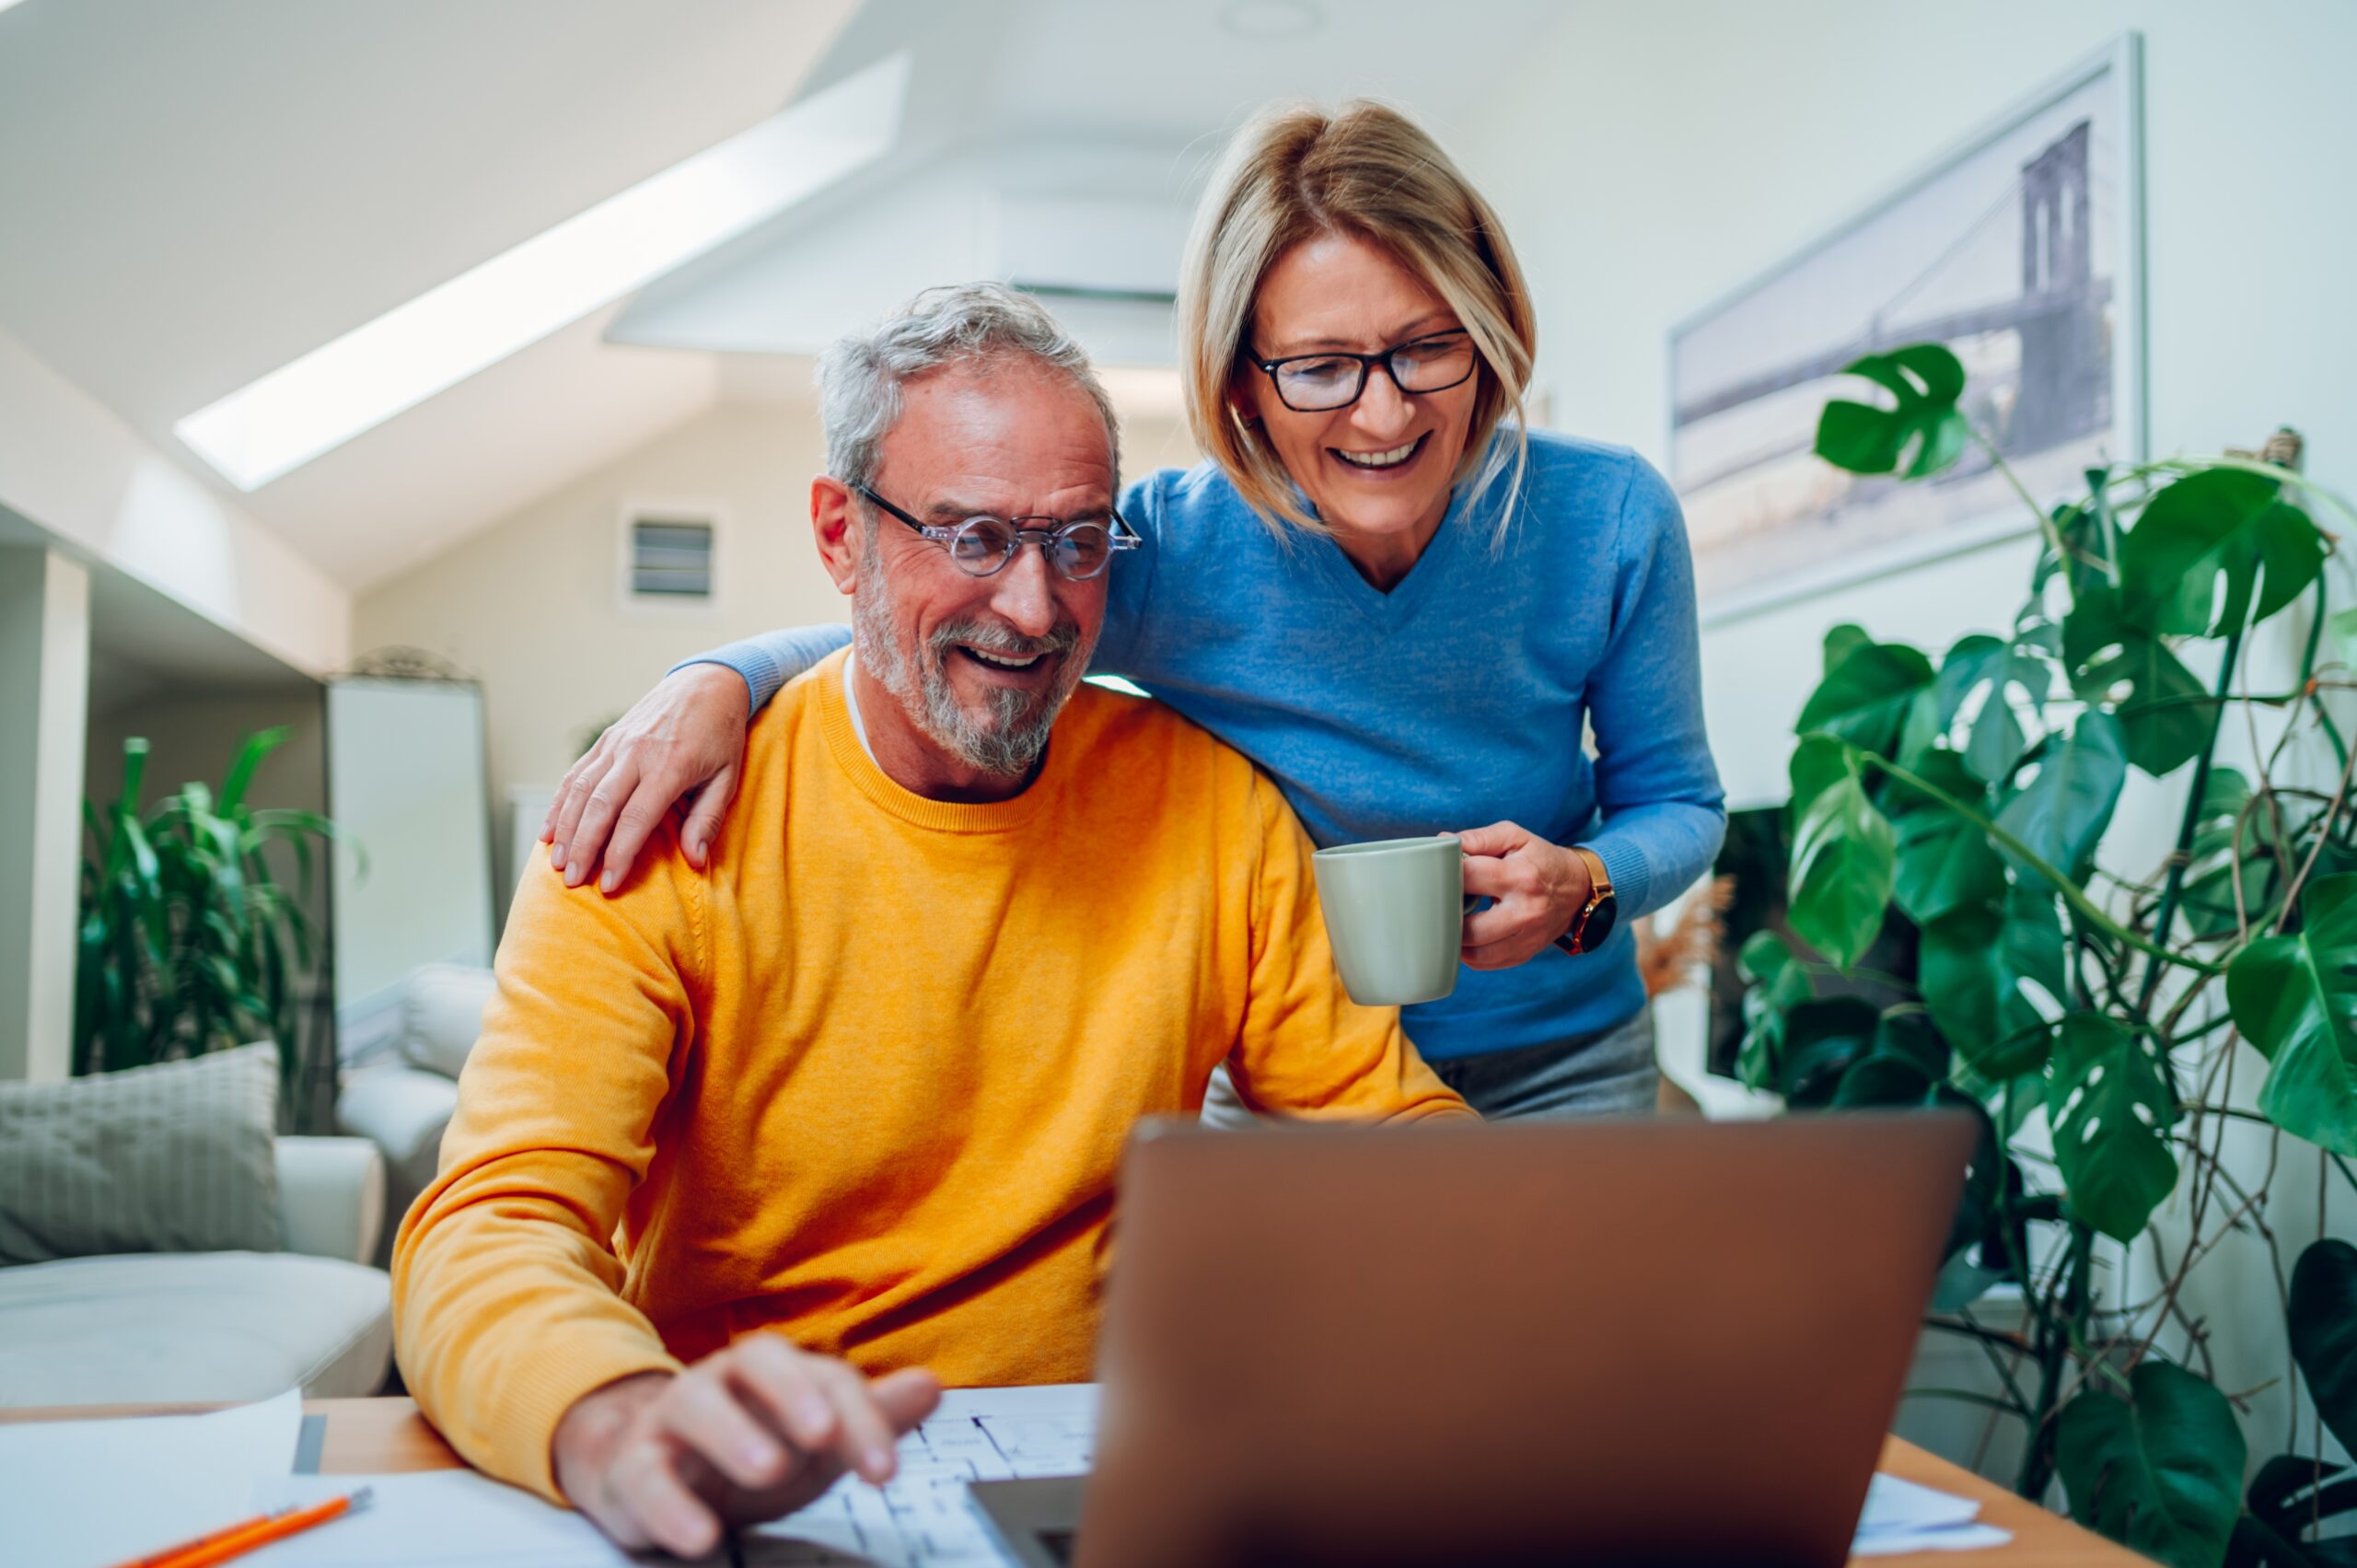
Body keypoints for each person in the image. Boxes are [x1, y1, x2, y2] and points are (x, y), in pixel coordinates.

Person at [393, 285, 1471, 1560]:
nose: (1034, 606)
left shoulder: (1211, 806)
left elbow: (1389, 1133)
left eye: (1078, 542)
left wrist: (1564, 1260)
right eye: (972, 535)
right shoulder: (660, 823)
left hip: (1100, 1486)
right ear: (840, 536)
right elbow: (491, 1223)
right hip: (756, 1495)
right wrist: (619, 1417)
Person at [546, 99, 1726, 1120]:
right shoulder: (1173, 547)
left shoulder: (1607, 517)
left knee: (1559, 1380)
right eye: (1318, 366)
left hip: (1566, 1059)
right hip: (1284, 1076)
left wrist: (1588, 885)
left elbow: (1676, 798)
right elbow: (946, 622)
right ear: (1240, 386)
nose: (1381, 416)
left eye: (1426, 348)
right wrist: (716, 678)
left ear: (1489, 330)